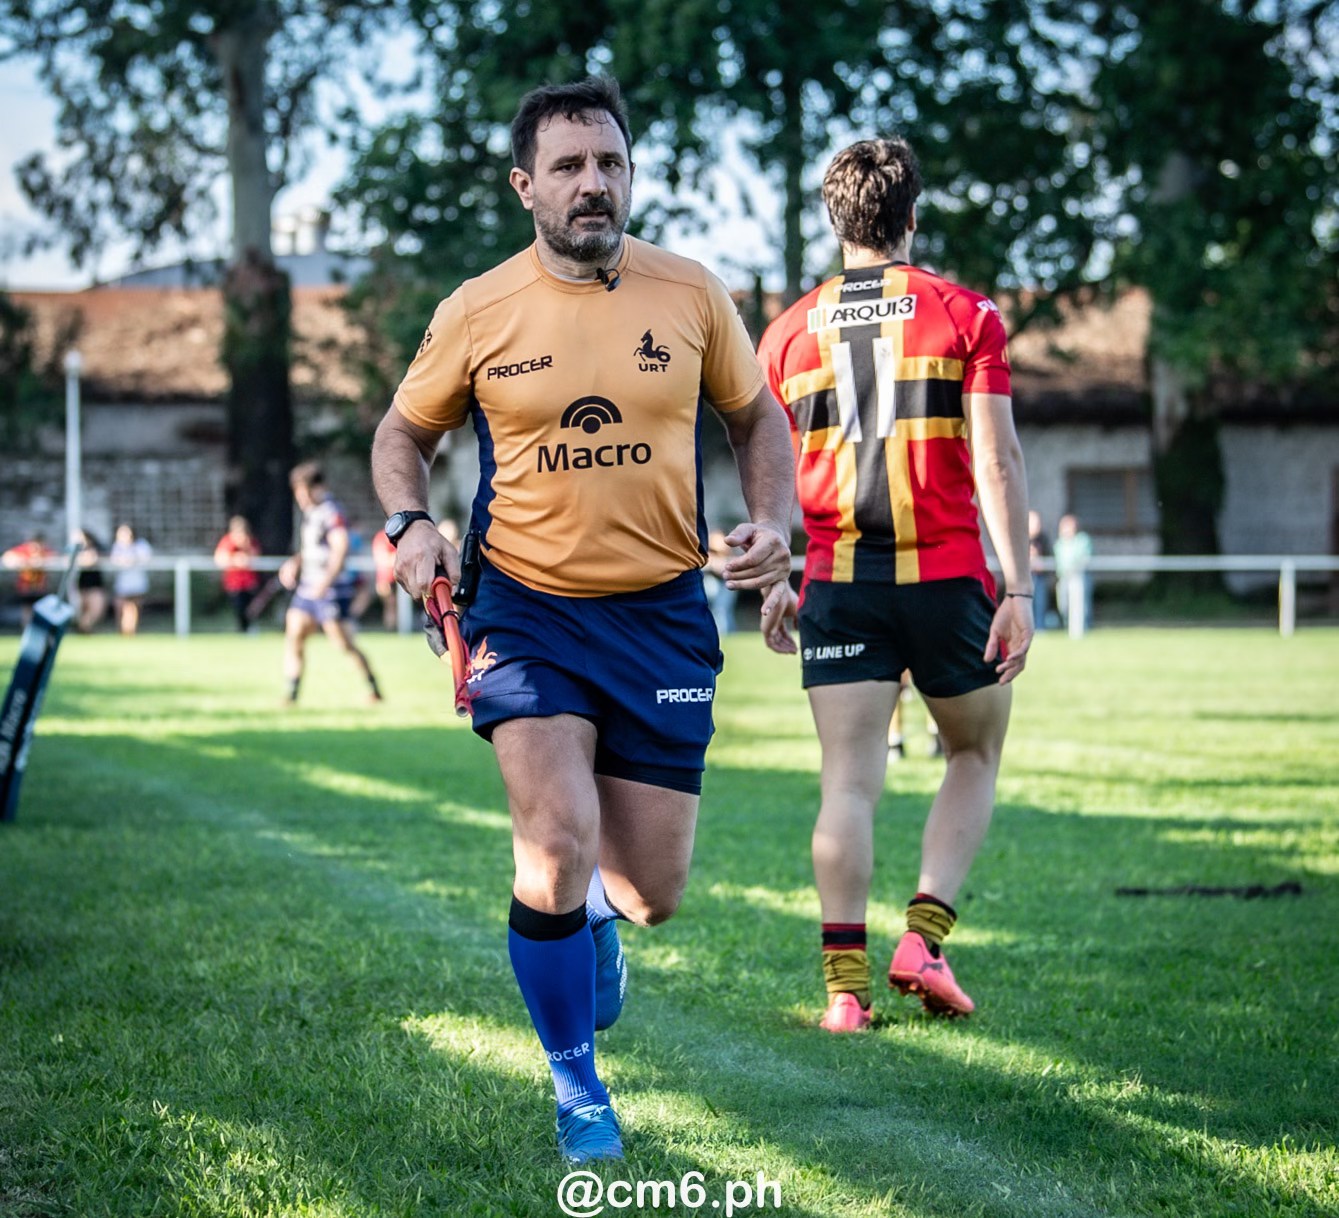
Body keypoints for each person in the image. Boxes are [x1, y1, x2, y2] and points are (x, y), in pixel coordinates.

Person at [369, 75, 793, 1163]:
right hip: (522, 605)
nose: (591, 183)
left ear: (629, 173)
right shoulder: (478, 309)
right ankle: (576, 1089)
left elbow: (756, 418)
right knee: (553, 847)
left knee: (648, 894)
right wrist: (410, 524)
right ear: (526, 186)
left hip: (660, 614)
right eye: (567, 166)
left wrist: (772, 520)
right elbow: (400, 436)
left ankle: (600, 925)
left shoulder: (692, 293)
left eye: (608, 162)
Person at [758, 136, 1034, 1032]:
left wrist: (777, 576)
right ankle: (923, 938)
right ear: (910, 216)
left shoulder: (786, 334)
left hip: (836, 582)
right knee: (972, 753)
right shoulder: (966, 315)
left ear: (834, 221)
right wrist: (1020, 589)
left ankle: (845, 994)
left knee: (847, 781)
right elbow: (993, 455)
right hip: (946, 576)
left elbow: (769, 469)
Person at [279, 462, 384, 705]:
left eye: (304, 491)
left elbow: (340, 548)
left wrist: (325, 582)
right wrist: (294, 563)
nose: (301, 497)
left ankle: (373, 686)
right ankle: (291, 695)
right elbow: (312, 550)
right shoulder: (310, 513)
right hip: (307, 587)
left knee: (343, 644)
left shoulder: (331, 512)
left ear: (319, 488)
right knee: (294, 634)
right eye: (297, 492)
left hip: (330, 589)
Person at [213, 515, 262, 632]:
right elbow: (219, 559)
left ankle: (250, 628)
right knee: (239, 608)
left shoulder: (250, 542)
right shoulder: (227, 542)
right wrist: (236, 559)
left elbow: (256, 556)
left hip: (250, 583)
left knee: (252, 608)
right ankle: (242, 629)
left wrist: (246, 551)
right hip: (234, 584)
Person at [3, 532, 56, 627]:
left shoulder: (45, 552)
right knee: (27, 610)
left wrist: (41, 562)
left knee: (42, 610)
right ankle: (27, 629)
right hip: (25, 588)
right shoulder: (24, 551)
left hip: (40, 588)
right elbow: (7, 557)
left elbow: (56, 560)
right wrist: (23, 562)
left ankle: (39, 630)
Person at [1053, 512, 1094, 631]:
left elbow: (1084, 558)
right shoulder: (1059, 543)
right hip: (1064, 577)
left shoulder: (1082, 540)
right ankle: (1067, 625)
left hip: (1078, 577)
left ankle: (1084, 627)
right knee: (1063, 604)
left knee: (1082, 604)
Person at [110, 523, 152, 636]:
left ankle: (129, 633)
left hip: (137, 583)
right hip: (122, 584)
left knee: (132, 609)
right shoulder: (117, 547)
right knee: (120, 608)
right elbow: (115, 561)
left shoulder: (141, 545)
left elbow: (145, 559)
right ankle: (122, 632)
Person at [703, 528, 739, 635]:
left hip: (726, 583)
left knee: (722, 611)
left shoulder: (729, 554)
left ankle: (727, 634)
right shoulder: (706, 552)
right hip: (710, 582)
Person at [73, 528, 108, 633]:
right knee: (84, 609)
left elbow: (92, 560)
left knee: (96, 610)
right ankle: (83, 629)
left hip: (95, 583)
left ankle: (84, 627)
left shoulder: (96, 548)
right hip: (83, 583)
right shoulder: (76, 551)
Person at [1028, 510, 1055, 629]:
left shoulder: (1043, 538)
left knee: (1040, 603)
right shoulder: (1020, 538)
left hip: (1040, 577)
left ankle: (1040, 627)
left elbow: (1049, 556)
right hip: (1026, 577)